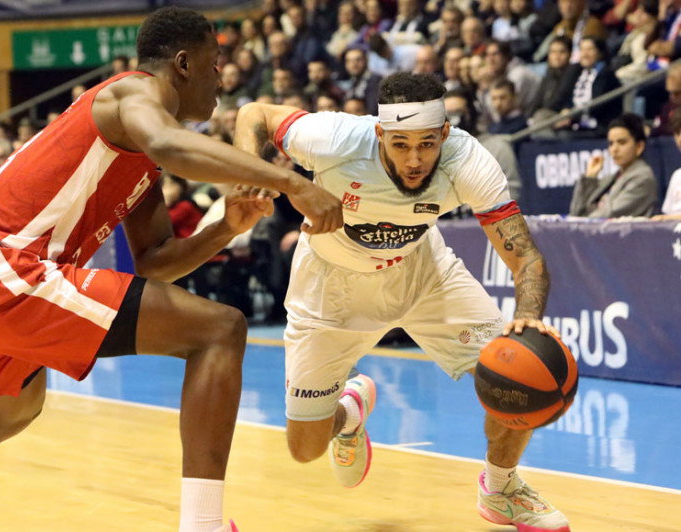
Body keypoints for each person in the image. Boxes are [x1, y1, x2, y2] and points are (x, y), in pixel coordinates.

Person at [0, 7, 342, 532]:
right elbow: (172, 145)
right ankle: (202, 526)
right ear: (183, 62)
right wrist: (293, 183)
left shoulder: (139, 155)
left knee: (12, 411)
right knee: (220, 331)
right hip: (1, 266)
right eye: (215, 62)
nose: (222, 76)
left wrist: (223, 230)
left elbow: (153, 263)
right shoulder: (132, 93)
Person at [234, 72, 571, 532]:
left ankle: (501, 489)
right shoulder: (335, 138)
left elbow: (526, 257)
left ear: (445, 134)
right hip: (330, 290)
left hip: (422, 271)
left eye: (427, 144)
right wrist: (246, 176)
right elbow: (253, 113)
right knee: (304, 449)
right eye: (401, 144)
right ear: (379, 133)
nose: (415, 160)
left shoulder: (467, 159)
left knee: (519, 370)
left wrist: (528, 321)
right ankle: (350, 412)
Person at [569, 113, 659, 218]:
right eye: (611, 143)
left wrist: (578, 223)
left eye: (622, 142)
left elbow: (608, 216)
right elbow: (575, 213)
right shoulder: (611, 179)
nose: (614, 150)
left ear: (639, 146)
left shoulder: (643, 178)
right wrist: (590, 177)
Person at [654, 112, 681, 220]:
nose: (680, 139)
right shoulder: (677, 176)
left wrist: (667, 219)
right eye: (677, 133)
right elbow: (668, 214)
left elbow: (667, 218)